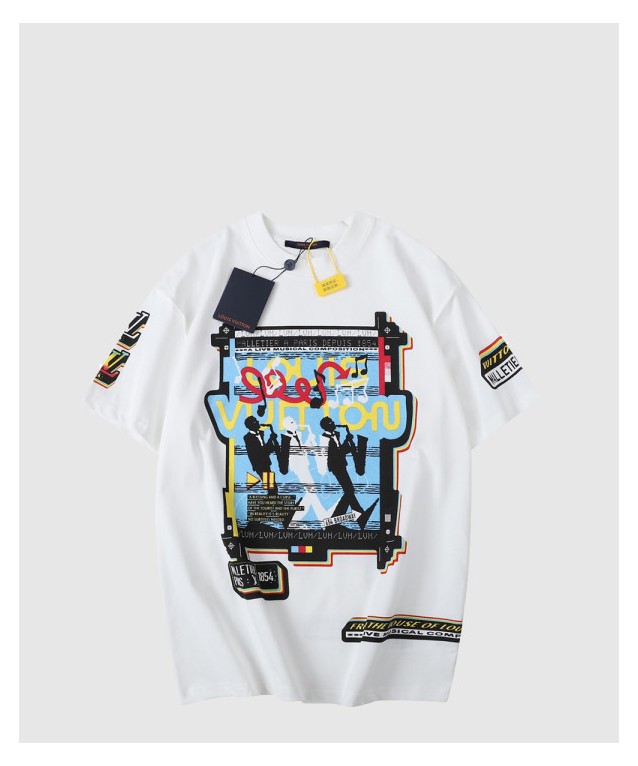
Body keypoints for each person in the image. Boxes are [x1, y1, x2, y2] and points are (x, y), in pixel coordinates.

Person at [320, 416, 377, 529]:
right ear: (326, 426)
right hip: (336, 467)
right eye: (331, 422)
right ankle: (356, 518)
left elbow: (340, 450)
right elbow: (335, 455)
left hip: (341, 465)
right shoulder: (324, 439)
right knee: (350, 490)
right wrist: (347, 441)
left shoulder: (335, 435)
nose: (334, 423)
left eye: (333, 421)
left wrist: (347, 443)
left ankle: (356, 518)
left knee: (349, 491)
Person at [243, 416, 281, 495]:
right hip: (260, 465)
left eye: (257, 420)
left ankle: (273, 501)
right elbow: (259, 451)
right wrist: (271, 440)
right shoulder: (247, 438)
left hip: (266, 463)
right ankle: (272, 501)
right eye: (255, 421)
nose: (258, 422)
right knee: (272, 488)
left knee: (271, 488)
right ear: (250, 426)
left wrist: (273, 444)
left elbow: (264, 448)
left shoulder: (261, 433)